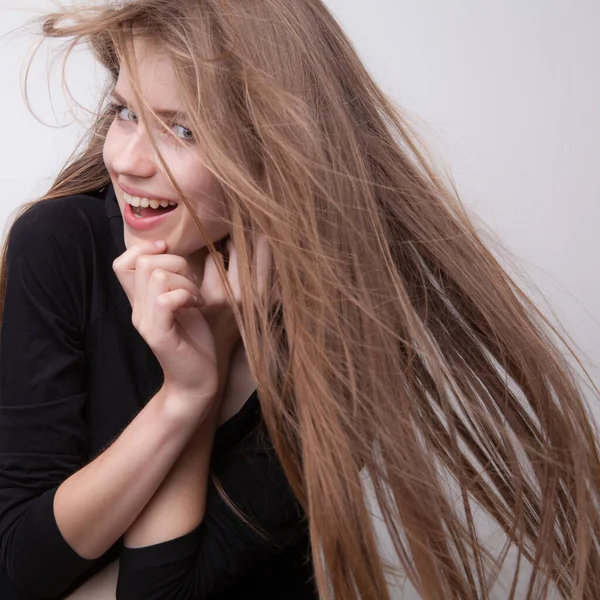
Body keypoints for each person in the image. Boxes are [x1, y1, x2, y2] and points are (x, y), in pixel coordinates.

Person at [0, 1, 599, 599]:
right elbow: (18, 570)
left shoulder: (348, 316)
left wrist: (210, 365)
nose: (127, 162)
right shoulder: (58, 247)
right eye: (124, 112)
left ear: (276, 147)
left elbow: (161, 593)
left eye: (183, 130)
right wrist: (182, 397)